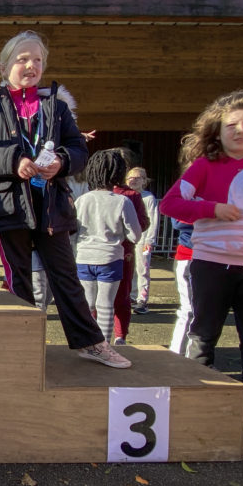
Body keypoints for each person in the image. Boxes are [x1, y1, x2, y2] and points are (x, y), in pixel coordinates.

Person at [0, 30, 131, 369]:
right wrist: (14, 161)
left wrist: (62, 163)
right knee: (18, 280)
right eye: (23, 59)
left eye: (38, 60)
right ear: (3, 67)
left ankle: (90, 343)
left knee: (66, 276)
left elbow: (79, 150)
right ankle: (20, 346)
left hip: (51, 207)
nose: (31, 65)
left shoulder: (57, 109)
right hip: (8, 207)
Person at [159, 88, 243, 434]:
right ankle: (197, 393)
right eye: (232, 124)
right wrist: (212, 209)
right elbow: (170, 204)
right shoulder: (204, 166)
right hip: (210, 263)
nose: (241, 130)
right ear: (217, 130)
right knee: (203, 334)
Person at [75, 149, 142, 344]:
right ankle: (103, 345)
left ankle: (86, 342)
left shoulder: (82, 200)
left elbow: (73, 232)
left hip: (84, 258)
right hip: (110, 259)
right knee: (105, 306)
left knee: (88, 304)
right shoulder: (123, 201)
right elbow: (135, 235)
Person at [111, 147, 150, 345]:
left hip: (99, 252)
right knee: (122, 294)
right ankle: (120, 336)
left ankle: (100, 335)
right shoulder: (132, 196)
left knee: (94, 295)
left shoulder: (91, 194)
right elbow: (142, 223)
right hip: (124, 250)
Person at [126, 166, 159, 315]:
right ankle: (132, 295)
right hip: (129, 239)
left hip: (143, 239)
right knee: (130, 268)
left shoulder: (148, 198)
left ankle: (142, 299)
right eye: (130, 177)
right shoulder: (126, 196)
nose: (133, 180)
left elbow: (153, 219)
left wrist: (150, 240)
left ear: (144, 181)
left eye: (137, 178)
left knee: (142, 269)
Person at [169, 219, 194, 355]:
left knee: (207, 313)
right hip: (190, 256)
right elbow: (178, 221)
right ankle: (177, 356)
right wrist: (215, 214)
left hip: (220, 259)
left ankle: (195, 355)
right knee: (190, 311)